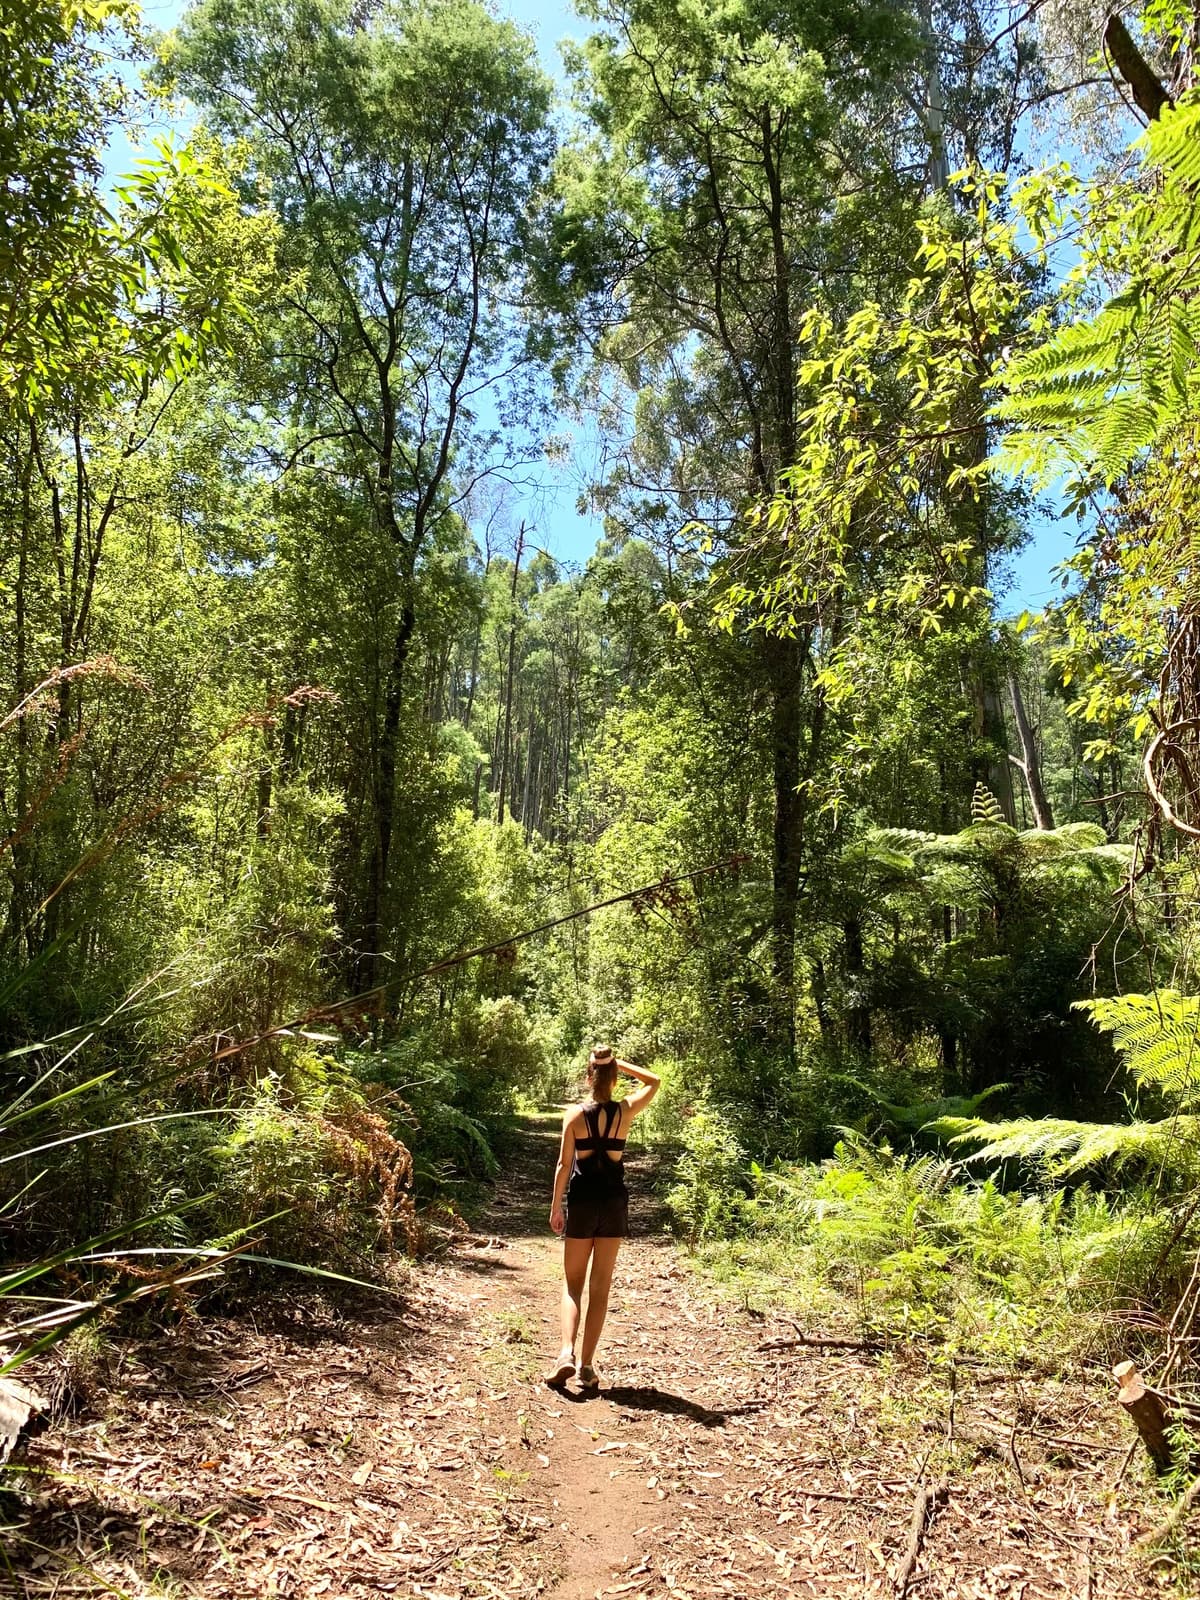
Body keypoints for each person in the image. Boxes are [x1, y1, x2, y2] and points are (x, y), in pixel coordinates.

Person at [545, 1045, 660, 1392]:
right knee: (601, 1287)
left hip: (582, 1202)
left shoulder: (574, 1115)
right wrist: (618, 1064)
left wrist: (555, 1207)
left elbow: (565, 1165)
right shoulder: (625, 1111)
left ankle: (566, 1352)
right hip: (613, 1205)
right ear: (612, 1077)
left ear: (587, 1075)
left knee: (572, 1284)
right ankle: (588, 1366)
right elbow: (654, 1082)